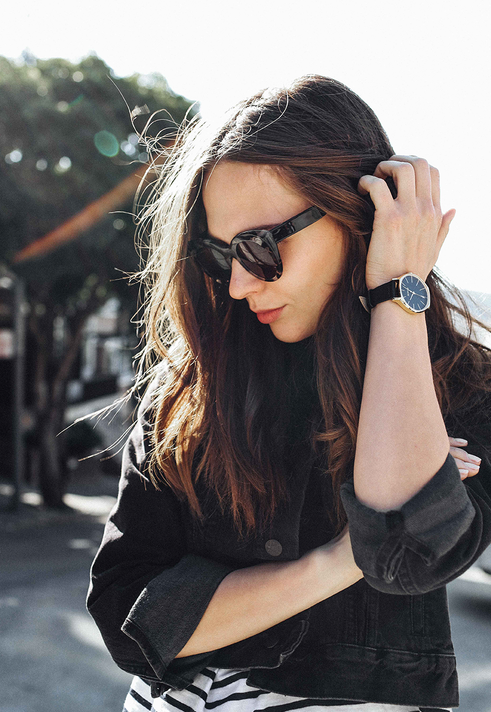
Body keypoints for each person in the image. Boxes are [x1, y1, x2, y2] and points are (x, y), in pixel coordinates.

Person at [87, 75, 491, 712]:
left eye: (260, 247)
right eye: (220, 255)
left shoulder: (464, 382)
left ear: (359, 216)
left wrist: (398, 290)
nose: (239, 285)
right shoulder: (189, 390)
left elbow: (405, 554)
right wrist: (338, 560)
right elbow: (127, 621)